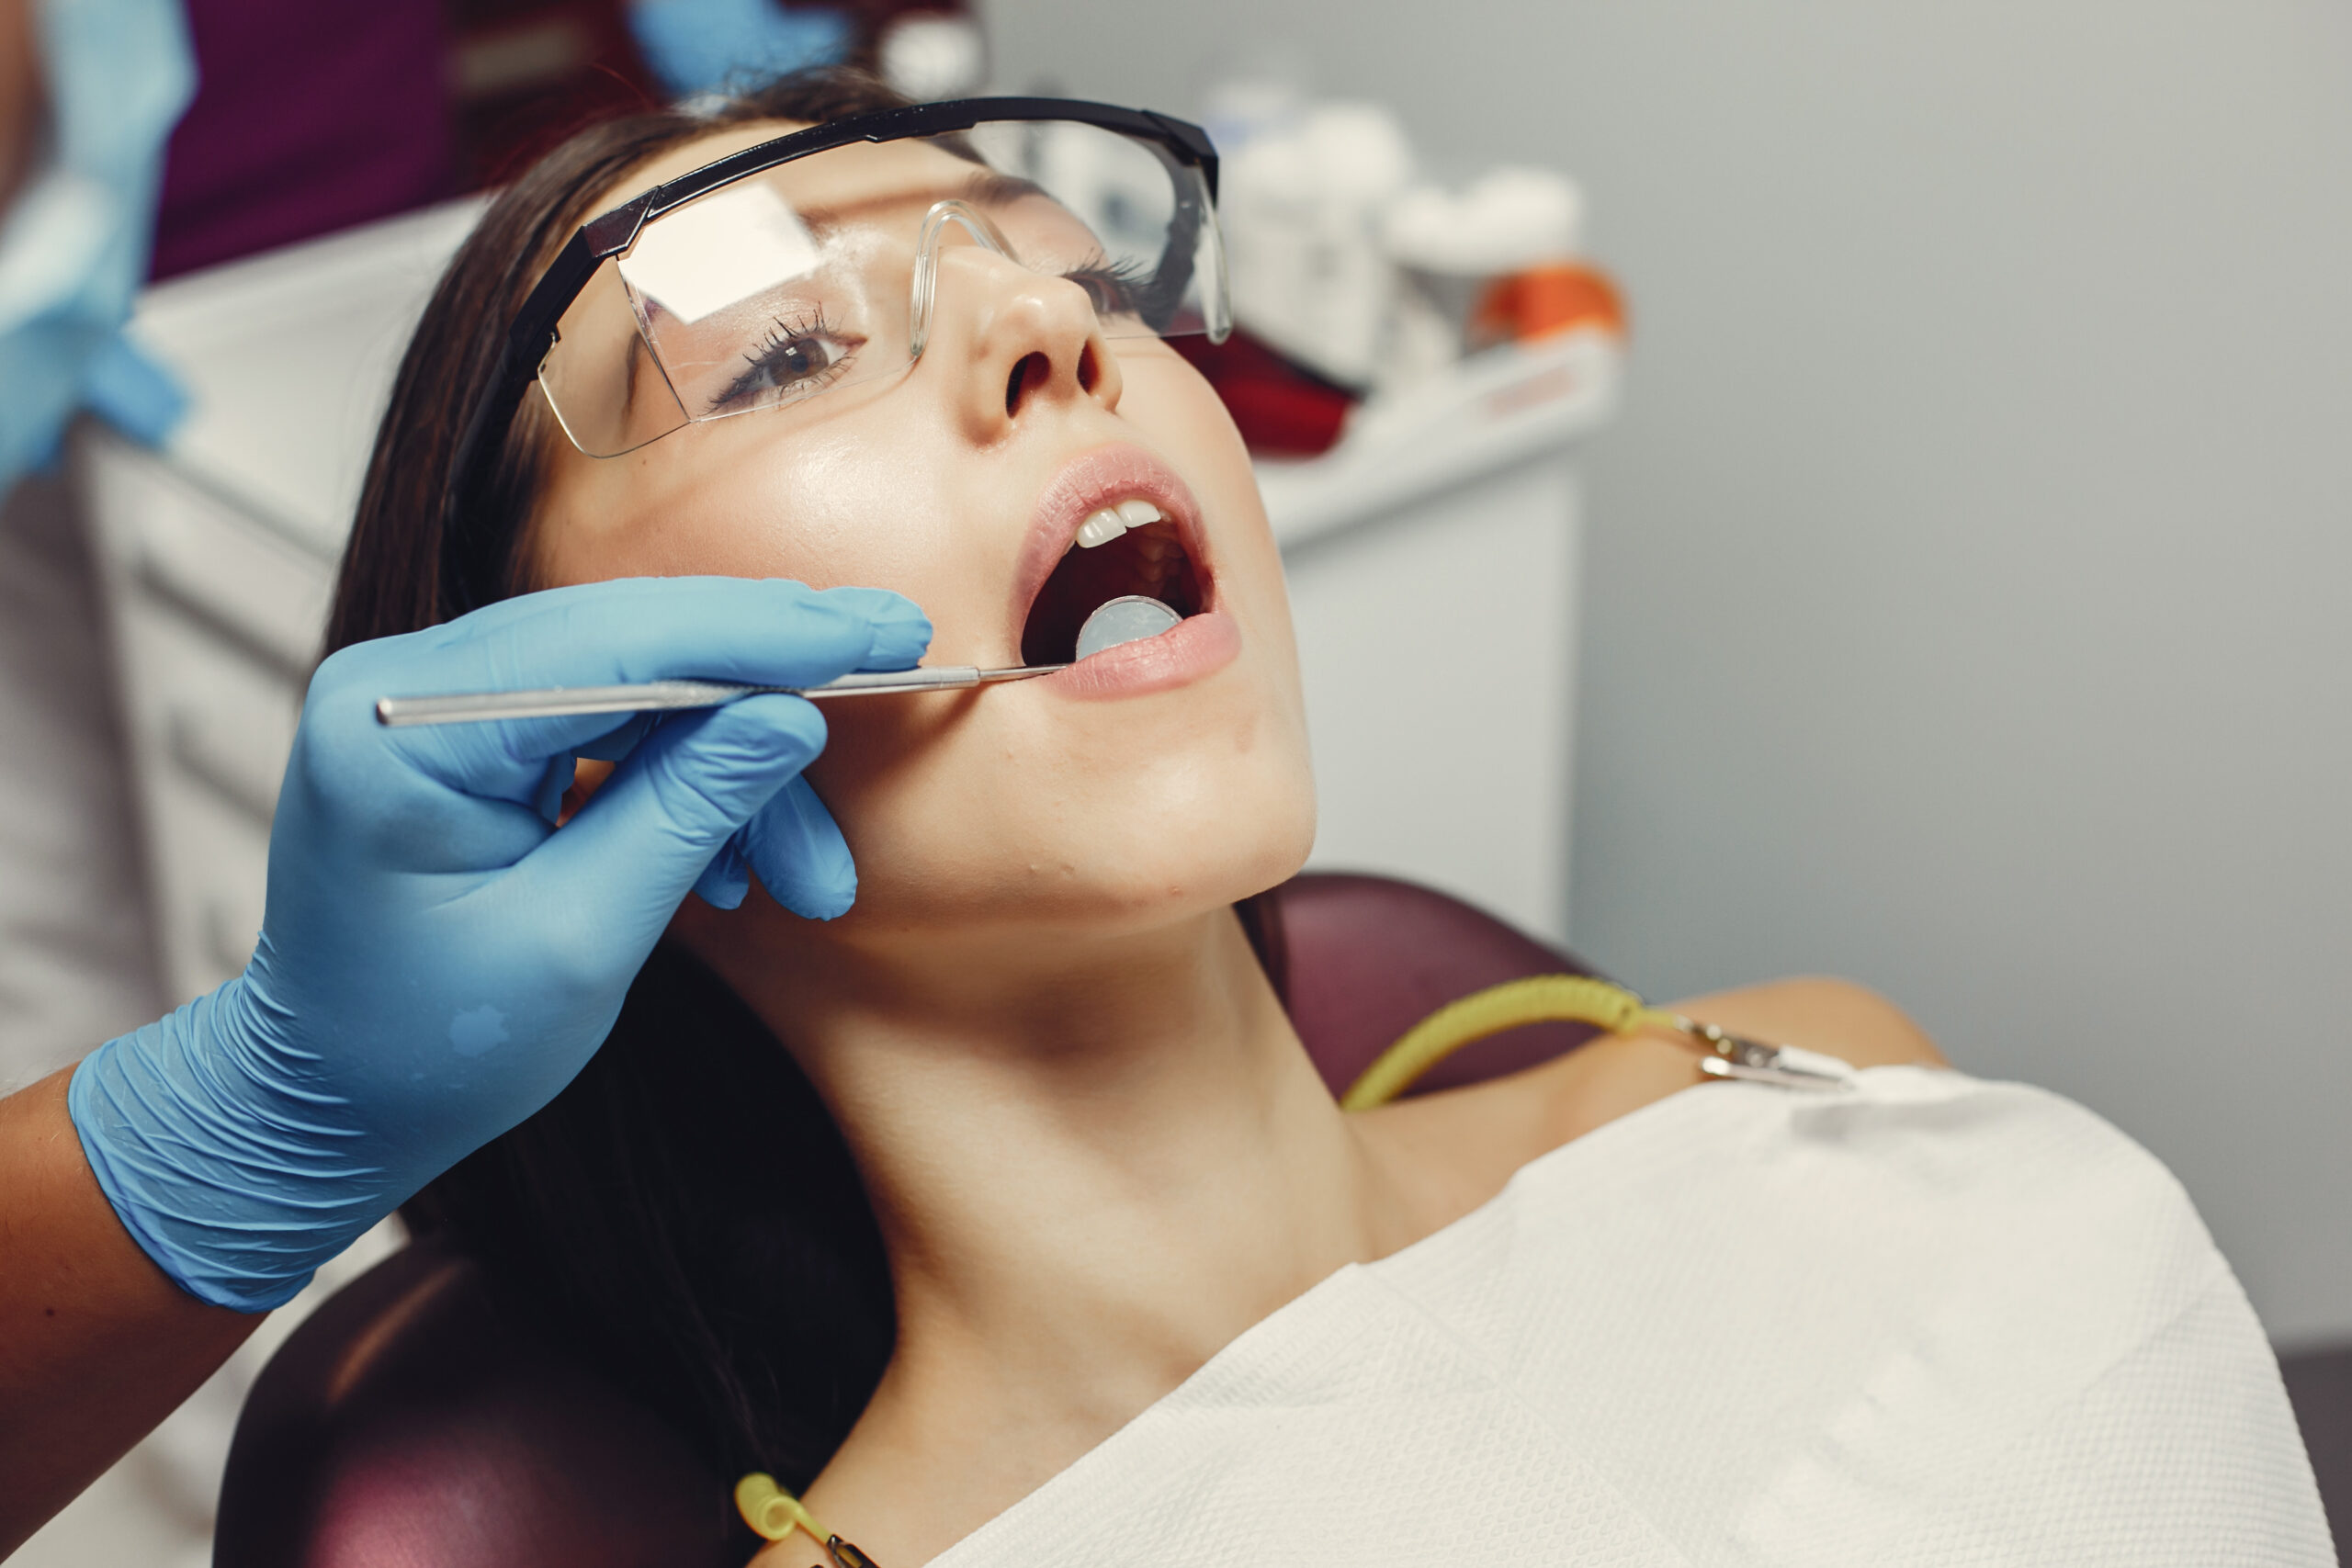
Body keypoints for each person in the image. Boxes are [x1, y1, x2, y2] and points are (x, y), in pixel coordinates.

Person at [0, 69, 2329, 1565]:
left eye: (1079, 270)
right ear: (581, 747)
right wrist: (252, 1118)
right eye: (794, 349)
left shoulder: (1814, 1072)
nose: (1061, 339)